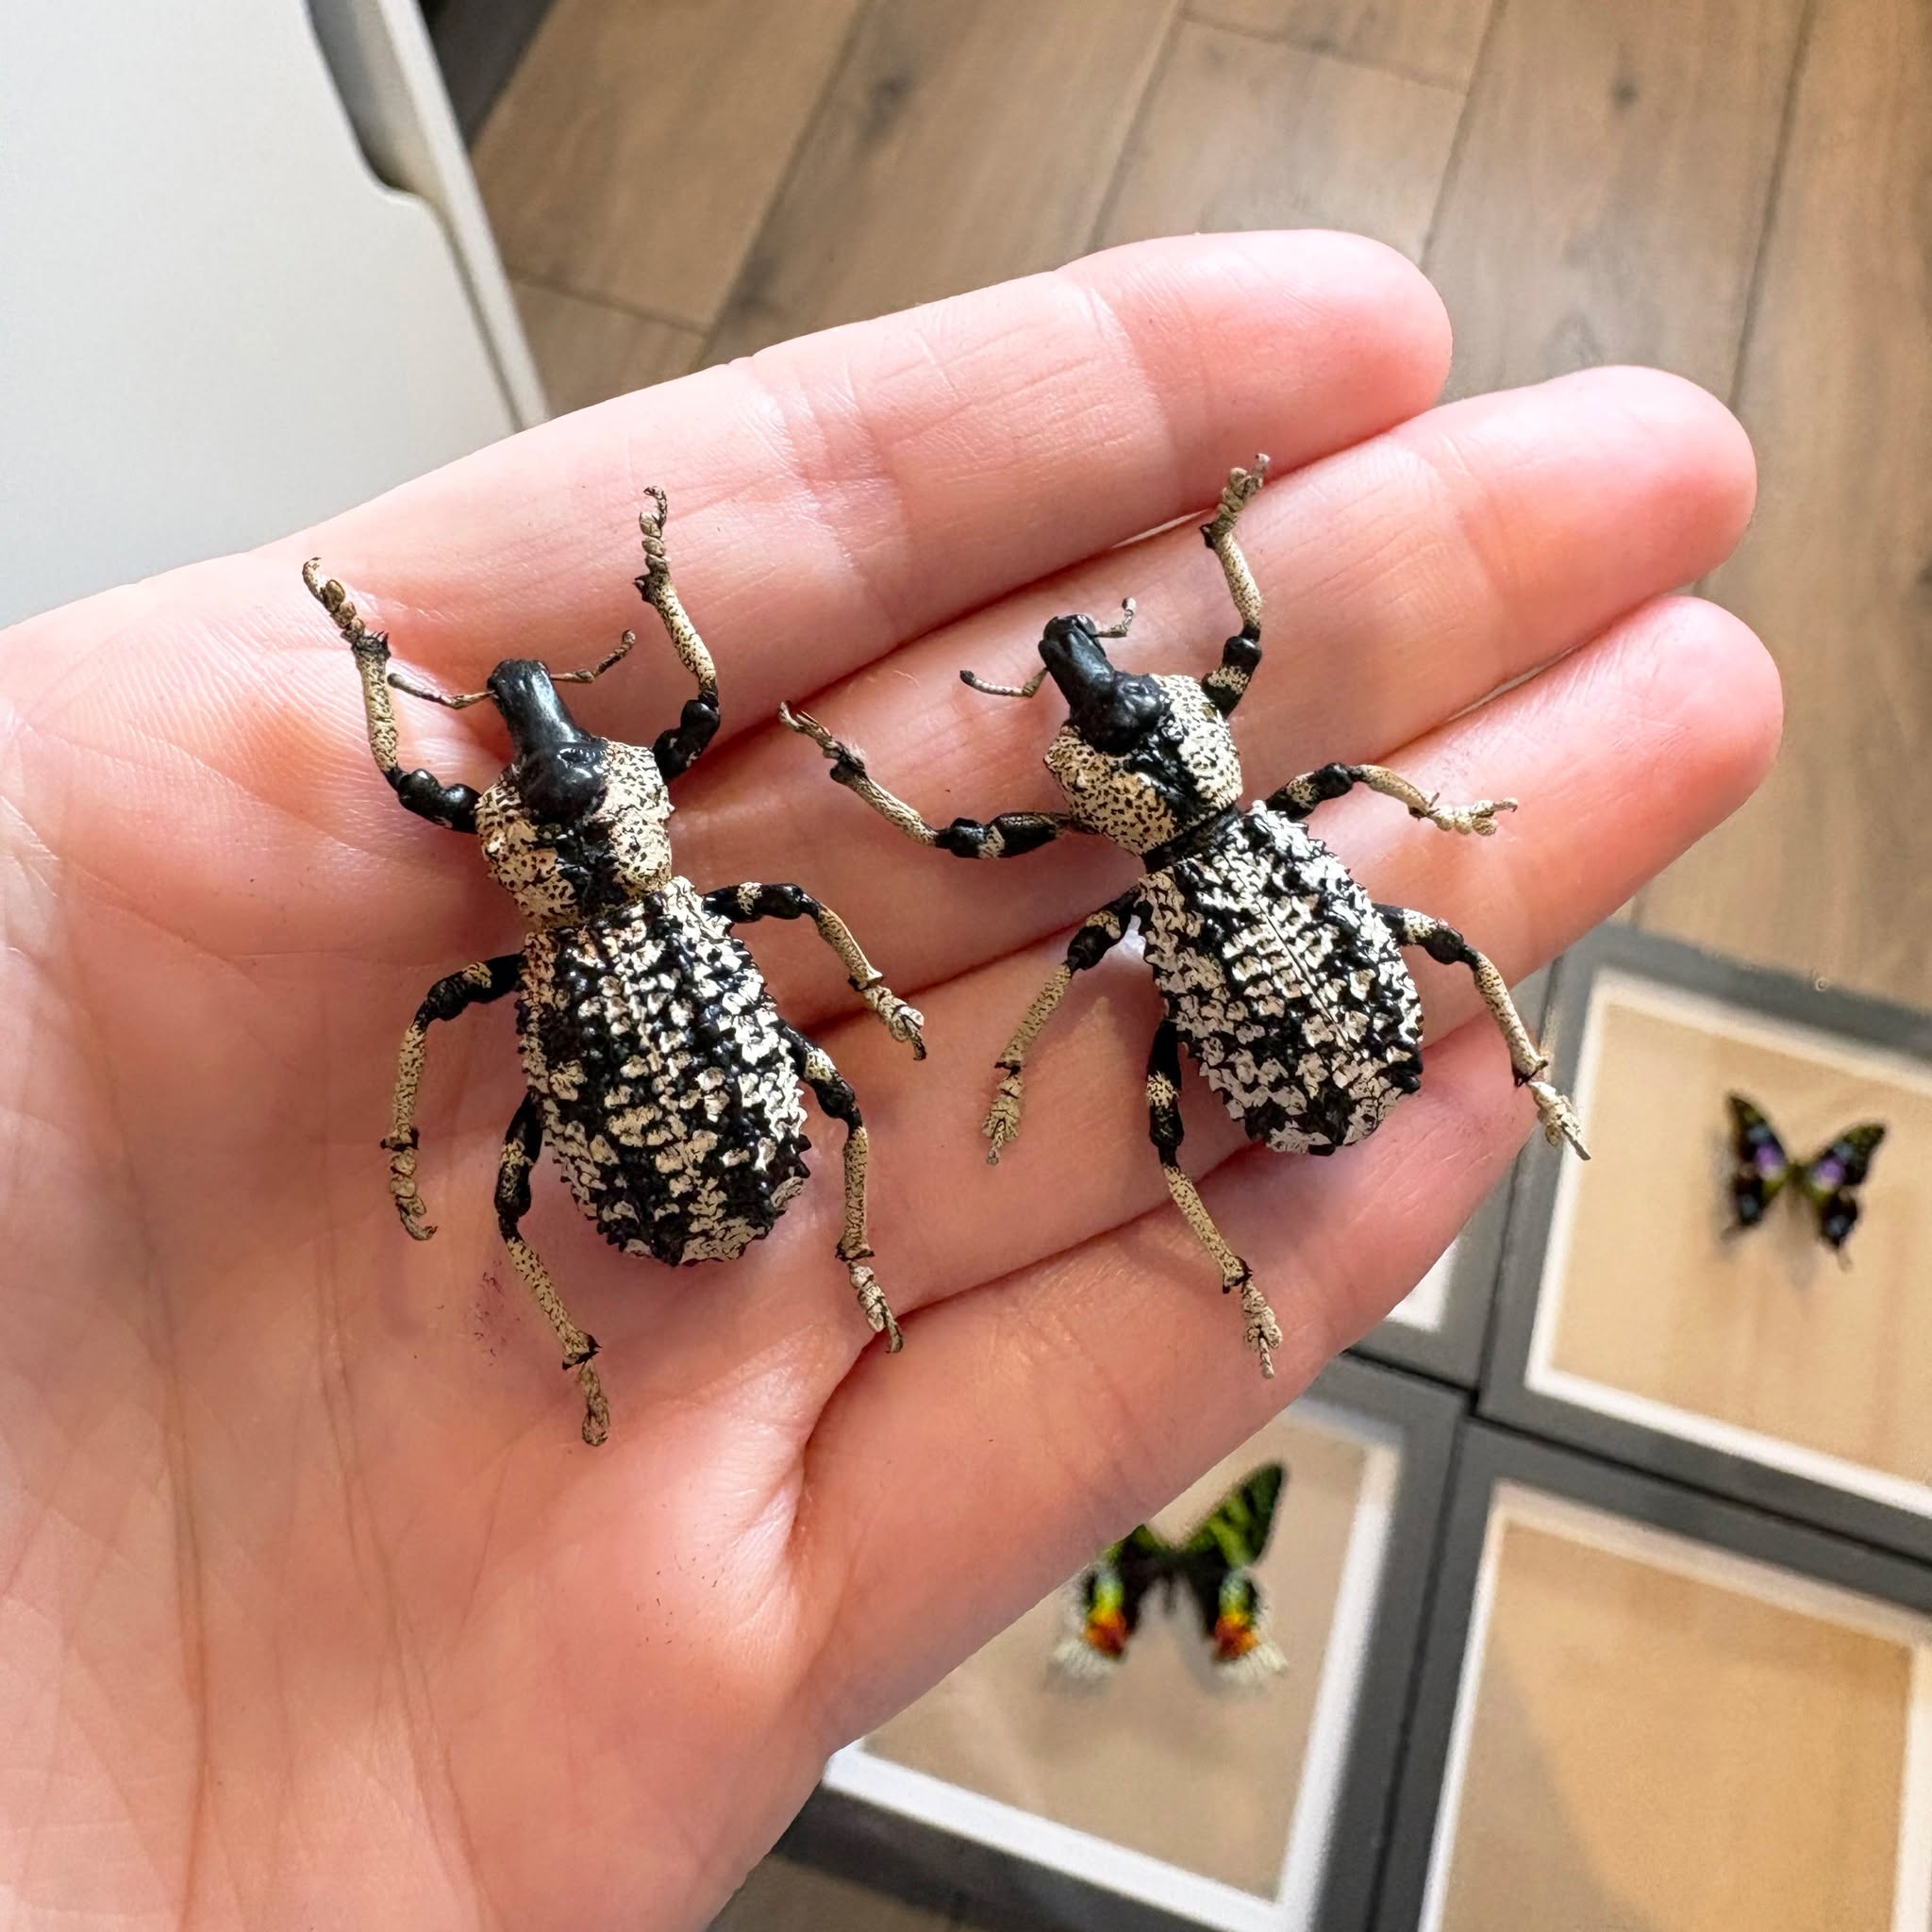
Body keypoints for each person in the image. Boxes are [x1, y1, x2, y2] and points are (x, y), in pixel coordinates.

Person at [0, 231, 1775, 1929]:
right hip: (820, 1061)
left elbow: (722, 791)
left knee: (741, 1130)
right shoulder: (734, 866)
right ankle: (1405, 1134)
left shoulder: (601, 915)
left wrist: (917, 998)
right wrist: (418, 677)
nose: (554, 746)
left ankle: (1418, 1128)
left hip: (974, 1027)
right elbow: (684, 775)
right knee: (852, 1101)